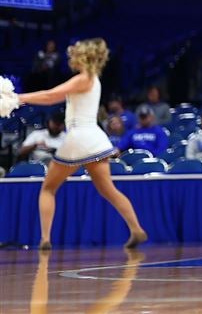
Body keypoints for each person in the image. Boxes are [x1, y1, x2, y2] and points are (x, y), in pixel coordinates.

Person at [13, 38, 147, 249]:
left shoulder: (83, 78)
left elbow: (50, 96)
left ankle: (45, 239)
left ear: (83, 57)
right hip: (95, 138)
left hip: (78, 138)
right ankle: (136, 229)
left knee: (48, 188)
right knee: (108, 189)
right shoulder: (93, 79)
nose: (70, 58)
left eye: (74, 54)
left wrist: (18, 98)